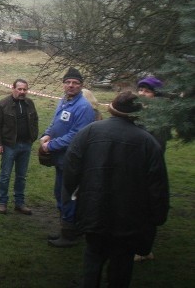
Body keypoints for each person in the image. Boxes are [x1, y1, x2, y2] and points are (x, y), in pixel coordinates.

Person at [63, 91, 169, 287]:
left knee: (93, 260)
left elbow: (70, 169)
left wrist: (70, 196)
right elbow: (158, 185)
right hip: (129, 217)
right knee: (122, 266)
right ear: (136, 115)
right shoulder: (148, 142)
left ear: (112, 109)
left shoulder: (89, 132)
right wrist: (157, 217)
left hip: (94, 212)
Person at [40, 67, 97, 248]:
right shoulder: (65, 100)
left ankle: (70, 234)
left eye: (75, 83)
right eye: (68, 82)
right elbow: (55, 121)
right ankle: (65, 227)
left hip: (73, 160)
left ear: (81, 86)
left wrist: (51, 145)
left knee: (69, 196)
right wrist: (47, 134)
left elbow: (76, 135)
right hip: (61, 159)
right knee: (60, 193)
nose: (71, 86)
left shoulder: (83, 107)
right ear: (63, 84)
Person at [133, 76, 170, 262]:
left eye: (146, 91)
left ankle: (144, 250)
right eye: (140, 90)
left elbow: (158, 146)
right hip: (134, 167)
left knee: (146, 209)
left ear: (155, 94)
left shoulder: (160, 117)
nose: (142, 93)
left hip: (149, 170)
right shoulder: (139, 110)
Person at [0, 78, 39, 215]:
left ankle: (19, 203)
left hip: (26, 145)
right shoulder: (2, 104)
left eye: (25, 89)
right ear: (13, 89)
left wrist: (33, 137)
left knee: (21, 176)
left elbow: (35, 120)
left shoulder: (30, 103)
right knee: (5, 175)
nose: (22, 92)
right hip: (9, 145)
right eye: (19, 89)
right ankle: (2, 202)